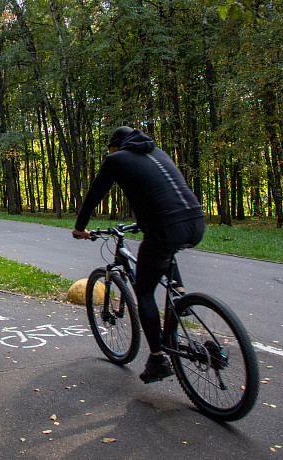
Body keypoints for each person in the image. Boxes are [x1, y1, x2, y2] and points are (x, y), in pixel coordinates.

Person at [72, 127, 205, 384]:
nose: (108, 154)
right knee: (164, 251)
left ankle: (157, 359)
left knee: (144, 292)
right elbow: (161, 194)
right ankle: (179, 295)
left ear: (116, 145)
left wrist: (80, 228)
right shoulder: (159, 153)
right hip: (195, 221)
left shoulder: (116, 159)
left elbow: (94, 195)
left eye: (109, 149)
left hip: (165, 227)